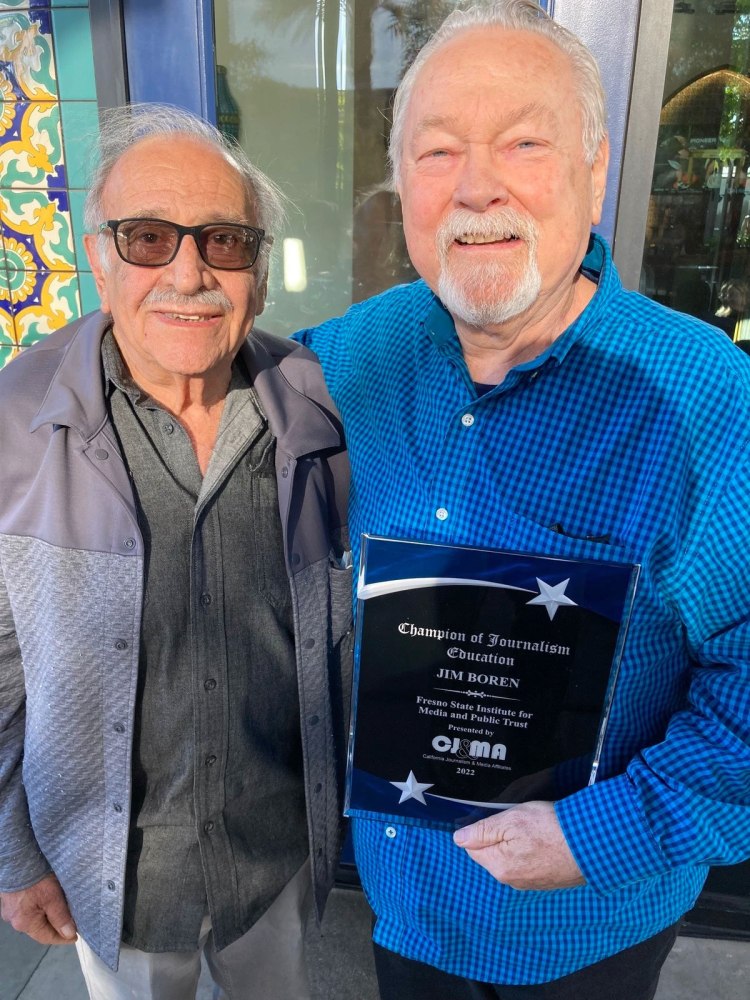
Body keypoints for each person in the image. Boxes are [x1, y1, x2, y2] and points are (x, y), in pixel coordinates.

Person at [295, 2, 750, 998]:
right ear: (401, 185)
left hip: (590, 923)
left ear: (596, 172)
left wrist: (602, 834)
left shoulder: (705, 398)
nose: (477, 186)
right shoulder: (341, 362)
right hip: (404, 906)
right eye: (438, 150)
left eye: (524, 142)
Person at [0, 104, 352, 1000]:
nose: (188, 272)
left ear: (260, 276)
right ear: (100, 259)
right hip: (111, 886)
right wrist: (11, 853)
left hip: (274, 862)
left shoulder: (315, 409)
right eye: (149, 237)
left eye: (224, 241)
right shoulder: (15, 422)